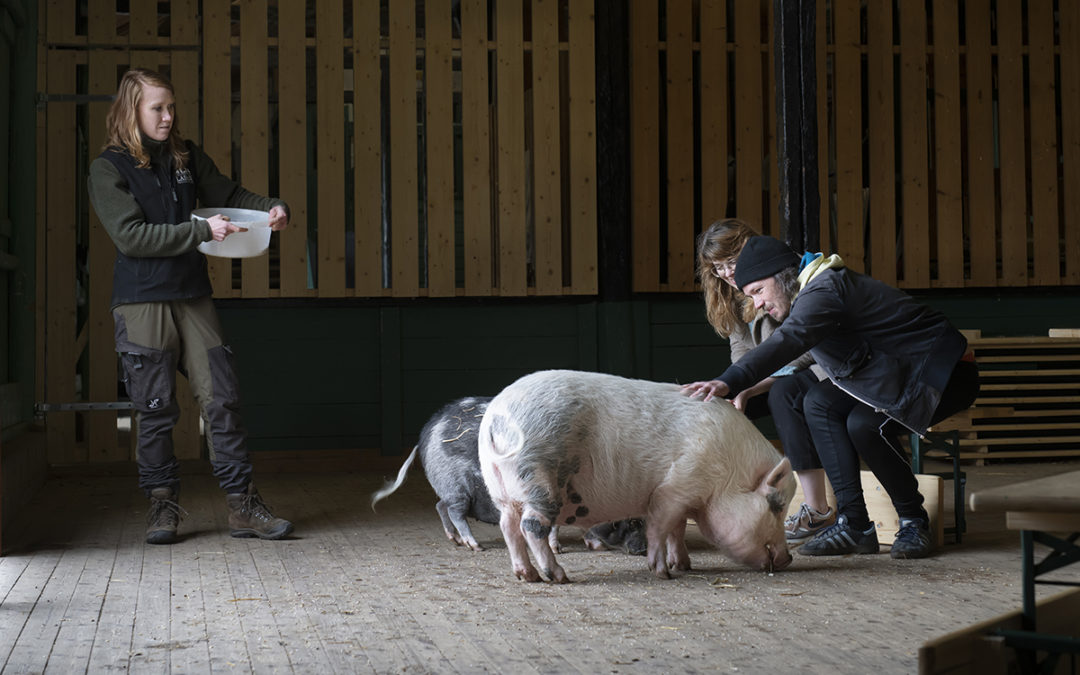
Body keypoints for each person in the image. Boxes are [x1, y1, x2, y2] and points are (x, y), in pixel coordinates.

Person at [87, 68, 293, 545]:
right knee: (155, 408)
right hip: (141, 300)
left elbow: (227, 193)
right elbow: (131, 237)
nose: (167, 116)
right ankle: (162, 508)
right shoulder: (108, 168)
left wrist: (270, 209)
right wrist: (201, 231)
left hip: (192, 295)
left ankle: (243, 506)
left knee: (222, 399)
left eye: (171, 107)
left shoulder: (184, 155)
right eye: (157, 108)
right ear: (131, 110)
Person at [681, 236, 979, 559]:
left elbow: (787, 341)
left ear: (782, 275)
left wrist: (728, 382)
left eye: (758, 291)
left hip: (944, 371)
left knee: (864, 424)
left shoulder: (824, 291)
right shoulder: (809, 290)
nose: (759, 305)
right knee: (819, 403)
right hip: (894, 371)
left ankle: (914, 521)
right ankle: (855, 525)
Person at [691, 220, 834, 546]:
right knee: (712, 407)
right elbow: (741, 352)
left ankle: (816, 509)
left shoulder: (781, 273)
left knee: (784, 394)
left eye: (731, 262)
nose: (726, 273)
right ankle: (721, 507)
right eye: (717, 268)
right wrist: (736, 388)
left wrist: (749, 387)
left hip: (807, 371)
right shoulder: (727, 292)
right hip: (761, 374)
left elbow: (804, 350)